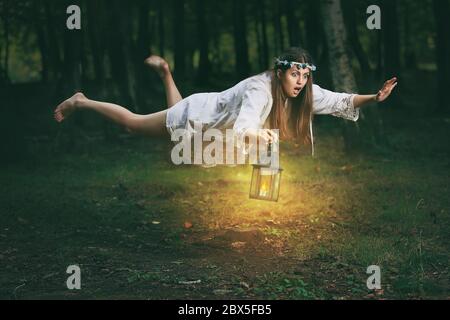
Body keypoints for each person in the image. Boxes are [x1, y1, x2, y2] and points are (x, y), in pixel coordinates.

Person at [54, 47, 397, 157]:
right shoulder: (259, 90)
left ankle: (166, 74)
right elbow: (247, 124)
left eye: (305, 76)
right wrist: (261, 138)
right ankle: (82, 101)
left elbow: (339, 100)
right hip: (197, 116)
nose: (301, 82)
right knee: (133, 124)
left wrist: (375, 97)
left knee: (176, 122)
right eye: (295, 75)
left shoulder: (301, 90)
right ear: (280, 73)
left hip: (204, 114)